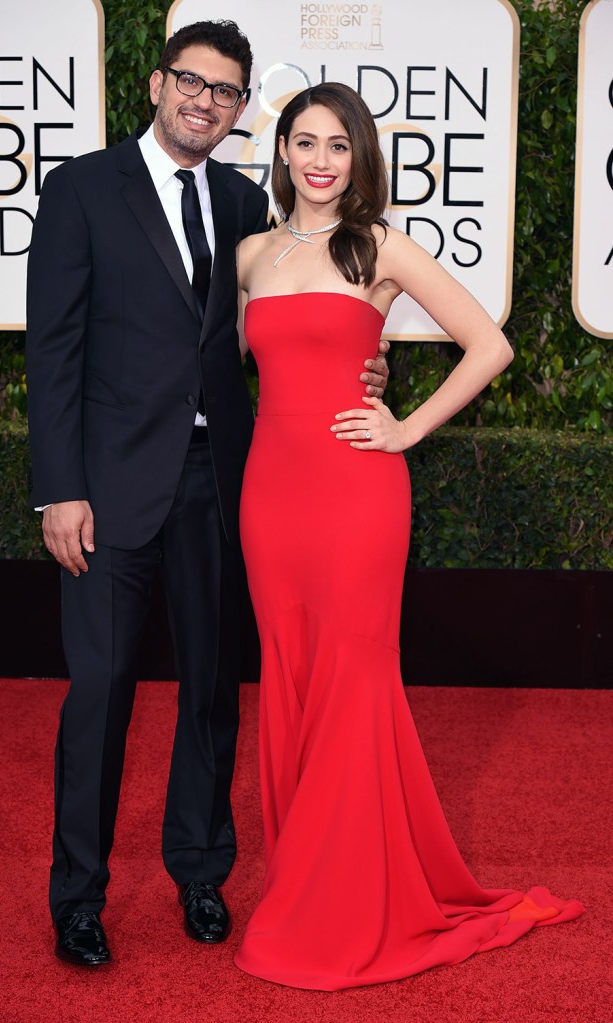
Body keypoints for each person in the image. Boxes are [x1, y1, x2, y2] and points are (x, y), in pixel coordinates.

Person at [26, 24, 388, 967]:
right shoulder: (79, 190)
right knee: (101, 692)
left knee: (211, 692)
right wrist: (58, 489)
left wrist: (370, 369)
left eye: (226, 93)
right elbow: (53, 353)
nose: (206, 102)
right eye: (192, 82)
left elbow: (298, 320)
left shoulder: (244, 207)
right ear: (157, 83)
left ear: (238, 113)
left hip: (226, 483)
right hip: (105, 490)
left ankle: (200, 871)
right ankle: (79, 897)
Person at [233, 82, 584, 990]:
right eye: (304, 141)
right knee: (291, 677)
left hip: (358, 493)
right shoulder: (251, 256)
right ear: (279, 153)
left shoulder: (380, 246)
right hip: (270, 499)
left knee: (352, 680)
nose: (319, 159)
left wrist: (406, 425)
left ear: (359, 159)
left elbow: (489, 343)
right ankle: (303, 881)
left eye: (338, 145)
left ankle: (341, 904)